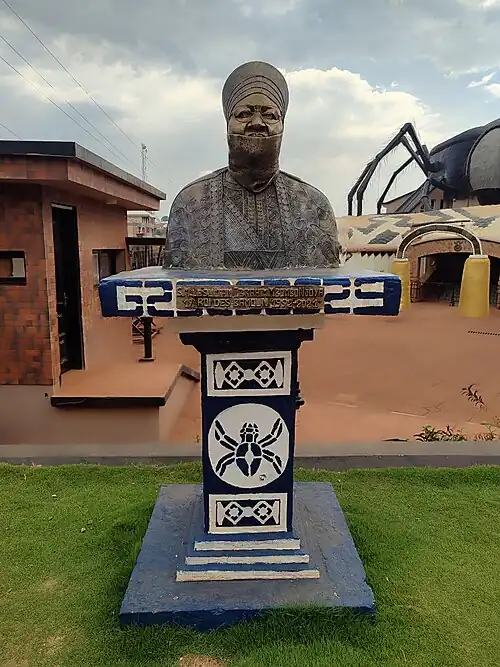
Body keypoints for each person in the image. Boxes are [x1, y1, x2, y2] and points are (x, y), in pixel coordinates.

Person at [164, 61, 340, 271]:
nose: (257, 122)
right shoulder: (191, 203)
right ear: (227, 124)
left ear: (283, 124)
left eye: (270, 115)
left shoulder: (312, 205)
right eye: (243, 114)